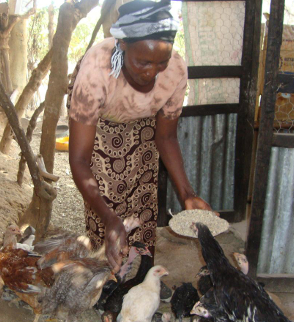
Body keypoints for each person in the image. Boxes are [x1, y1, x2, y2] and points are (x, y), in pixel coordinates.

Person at [68, 0, 214, 272]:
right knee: (106, 197)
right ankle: (108, 281)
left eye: (161, 62)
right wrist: (110, 219)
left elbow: (166, 138)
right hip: (100, 121)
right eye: (143, 61)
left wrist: (187, 195)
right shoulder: (96, 72)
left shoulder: (175, 72)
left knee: (143, 193)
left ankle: (142, 276)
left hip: (143, 119)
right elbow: (78, 159)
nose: (151, 72)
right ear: (122, 45)